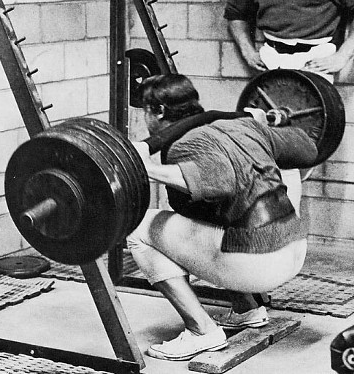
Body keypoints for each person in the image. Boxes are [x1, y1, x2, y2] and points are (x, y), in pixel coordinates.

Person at [221, 0, 354, 323]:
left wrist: (345, 54)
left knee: (296, 162)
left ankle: (275, 252)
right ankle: (268, 253)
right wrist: (247, 49)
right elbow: (236, 16)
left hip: (315, 67)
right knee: (269, 159)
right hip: (274, 67)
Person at [127, 73, 318, 361]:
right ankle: (246, 310)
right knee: (219, 211)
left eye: (144, 111)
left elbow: (221, 179)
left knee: (140, 227)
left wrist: (145, 166)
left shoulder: (185, 144)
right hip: (294, 252)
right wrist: (261, 128)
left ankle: (201, 330)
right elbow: (308, 150)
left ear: (159, 111)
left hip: (258, 265)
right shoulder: (242, 124)